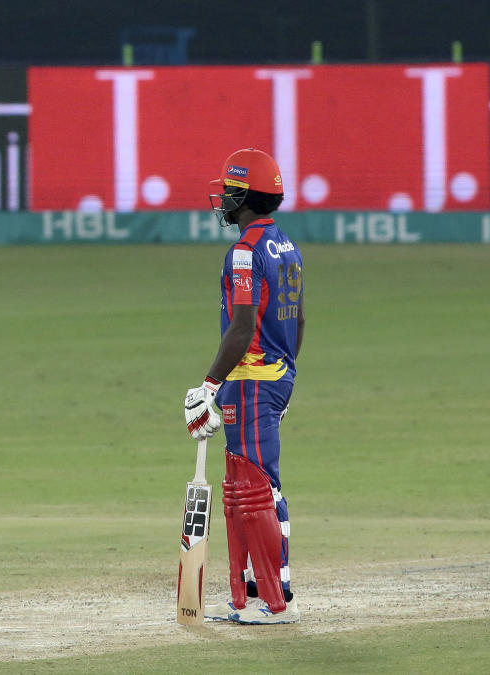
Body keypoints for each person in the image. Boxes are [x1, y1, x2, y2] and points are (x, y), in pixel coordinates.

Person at [183, 148, 304, 625]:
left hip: (251, 381)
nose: (223, 200)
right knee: (241, 487)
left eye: (229, 191)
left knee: (255, 491)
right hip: (269, 380)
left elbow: (243, 323)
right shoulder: (286, 246)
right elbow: (297, 322)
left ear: (245, 196)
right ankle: (243, 597)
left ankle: (277, 603)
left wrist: (208, 385)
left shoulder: (244, 251)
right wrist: (286, 379)